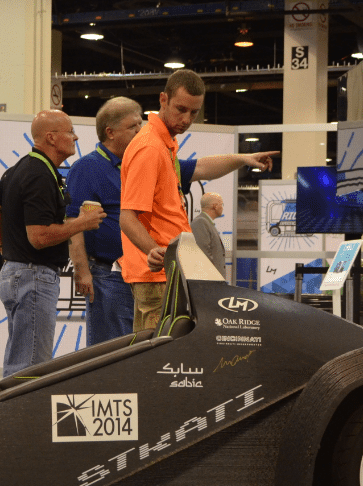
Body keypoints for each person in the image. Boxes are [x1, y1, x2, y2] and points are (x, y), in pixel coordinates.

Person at [119, 69, 278, 331]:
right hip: (159, 276)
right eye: (180, 109)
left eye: (194, 112)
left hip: (168, 274)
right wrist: (154, 250)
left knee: (165, 359)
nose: (186, 119)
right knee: (159, 361)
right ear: (163, 100)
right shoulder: (150, 148)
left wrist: (244, 158)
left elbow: (201, 168)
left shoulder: (163, 145)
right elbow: (127, 217)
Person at [0, 109, 105, 377]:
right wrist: (82, 223)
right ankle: (21, 418)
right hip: (33, 278)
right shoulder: (39, 175)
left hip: (20, 275)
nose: (76, 136)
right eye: (70, 131)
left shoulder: (23, 168)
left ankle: (12, 416)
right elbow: (39, 237)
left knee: (21, 359)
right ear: (51, 137)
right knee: (31, 368)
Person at [66, 97, 199, 346]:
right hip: (108, 274)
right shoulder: (86, 168)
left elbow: (199, 167)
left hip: (138, 272)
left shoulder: (143, 158)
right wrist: (82, 270)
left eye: (141, 124)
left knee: (136, 345)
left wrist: (243, 159)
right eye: (133, 127)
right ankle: (105, 387)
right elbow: (74, 222)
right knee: (110, 348)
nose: (140, 130)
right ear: (110, 132)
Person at [190, 192, 226, 276]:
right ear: (215, 206)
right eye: (222, 204)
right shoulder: (201, 222)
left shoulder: (206, 222)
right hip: (209, 281)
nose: (222, 208)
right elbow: (203, 254)